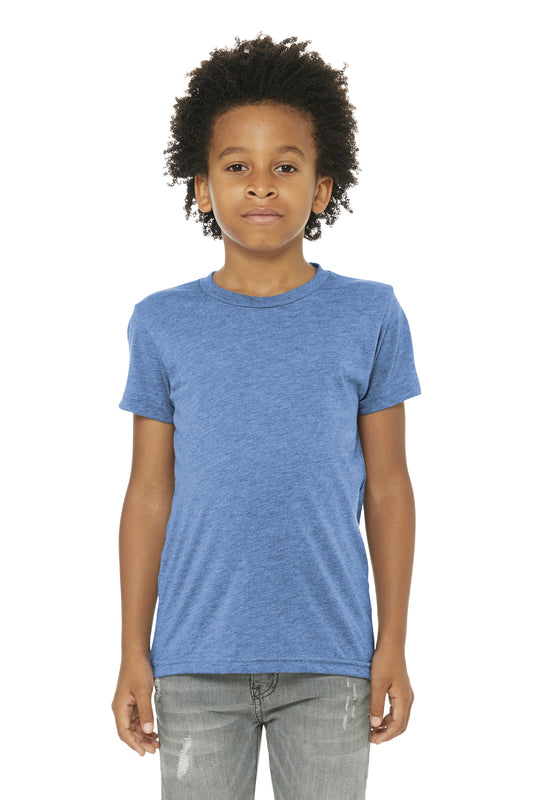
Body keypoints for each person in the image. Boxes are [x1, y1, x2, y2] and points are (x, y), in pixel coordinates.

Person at [111, 33, 422, 800]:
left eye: (284, 166)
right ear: (200, 187)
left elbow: (388, 486)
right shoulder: (161, 322)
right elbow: (148, 493)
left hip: (331, 661)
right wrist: (132, 651)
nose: (260, 186)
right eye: (235, 167)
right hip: (193, 660)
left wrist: (392, 644)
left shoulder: (369, 314)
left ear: (321, 188)